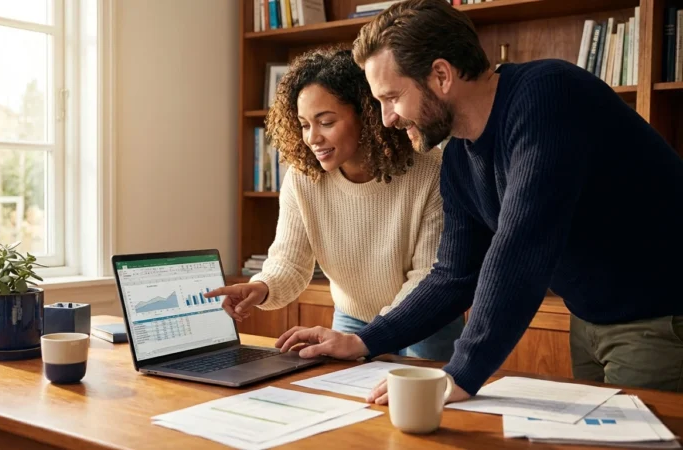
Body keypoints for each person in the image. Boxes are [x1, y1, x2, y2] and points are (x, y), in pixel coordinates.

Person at [275, 0, 683, 405]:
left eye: (392, 97)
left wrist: (462, 373)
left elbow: (523, 247)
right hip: (589, 317)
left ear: (441, 75)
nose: (386, 120)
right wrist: (364, 340)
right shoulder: (459, 158)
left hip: (659, 316)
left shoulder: (548, 97)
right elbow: (453, 275)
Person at [205, 47, 464, 361]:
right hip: (352, 317)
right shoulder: (302, 179)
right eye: (304, 125)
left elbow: (427, 276)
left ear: (366, 116)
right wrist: (261, 286)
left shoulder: (431, 171)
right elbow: (289, 261)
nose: (312, 138)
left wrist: (370, 337)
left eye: (325, 122)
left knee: (429, 407)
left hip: (425, 319)